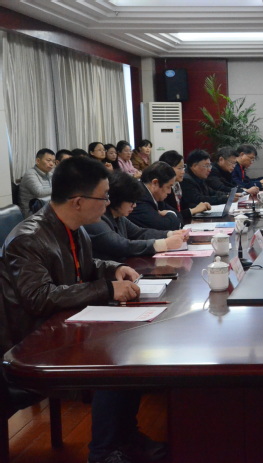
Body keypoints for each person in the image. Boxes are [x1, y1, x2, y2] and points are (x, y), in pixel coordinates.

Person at [0, 156, 165, 463]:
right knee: (112, 361)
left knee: (129, 345)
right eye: (104, 197)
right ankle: (104, 452)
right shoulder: (29, 239)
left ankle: (126, 438)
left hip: (62, 324)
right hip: (30, 343)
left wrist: (114, 268)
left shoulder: (73, 227)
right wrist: (107, 289)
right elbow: (38, 298)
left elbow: (84, 266)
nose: (108, 204)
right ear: (78, 201)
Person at [83, 171, 187, 261]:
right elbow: (121, 246)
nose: (134, 205)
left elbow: (140, 233)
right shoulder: (96, 219)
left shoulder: (119, 216)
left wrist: (170, 234)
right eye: (131, 201)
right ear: (117, 199)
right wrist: (163, 244)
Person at [122, 162, 182, 231]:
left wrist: (172, 216)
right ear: (155, 183)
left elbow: (179, 217)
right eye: (168, 187)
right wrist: (171, 213)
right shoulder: (138, 197)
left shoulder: (155, 196)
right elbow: (164, 227)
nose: (169, 192)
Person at [158, 150, 210, 225]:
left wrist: (200, 206)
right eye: (179, 168)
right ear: (167, 169)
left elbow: (183, 206)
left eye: (183, 167)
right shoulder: (162, 189)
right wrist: (193, 210)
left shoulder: (177, 185)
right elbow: (172, 213)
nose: (183, 172)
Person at [18, 148, 55, 217]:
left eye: (53, 161)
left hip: (45, 209)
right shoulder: (30, 174)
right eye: (48, 160)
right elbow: (39, 192)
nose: (51, 164)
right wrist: (59, 189)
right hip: (32, 213)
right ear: (38, 161)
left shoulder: (50, 175)